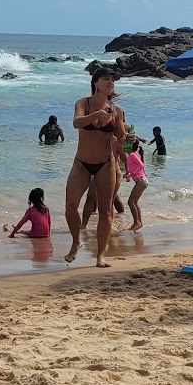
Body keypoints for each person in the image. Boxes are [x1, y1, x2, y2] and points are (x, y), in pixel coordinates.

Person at [65, 70, 126, 268]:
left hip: (106, 164)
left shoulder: (116, 109)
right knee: (70, 207)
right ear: (95, 82)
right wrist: (96, 115)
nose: (110, 82)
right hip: (81, 162)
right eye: (106, 79)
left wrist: (126, 139)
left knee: (105, 211)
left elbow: (122, 136)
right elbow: (76, 123)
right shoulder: (83, 103)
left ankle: (100, 255)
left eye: (112, 79)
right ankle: (76, 241)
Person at [124, 138, 148, 231]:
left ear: (130, 146)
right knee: (134, 202)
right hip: (142, 181)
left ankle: (136, 222)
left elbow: (141, 165)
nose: (124, 146)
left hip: (141, 181)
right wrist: (128, 174)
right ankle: (139, 223)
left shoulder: (132, 155)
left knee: (131, 202)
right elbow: (134, 167)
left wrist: (132, 174)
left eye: (126, 144)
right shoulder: (133, 154)